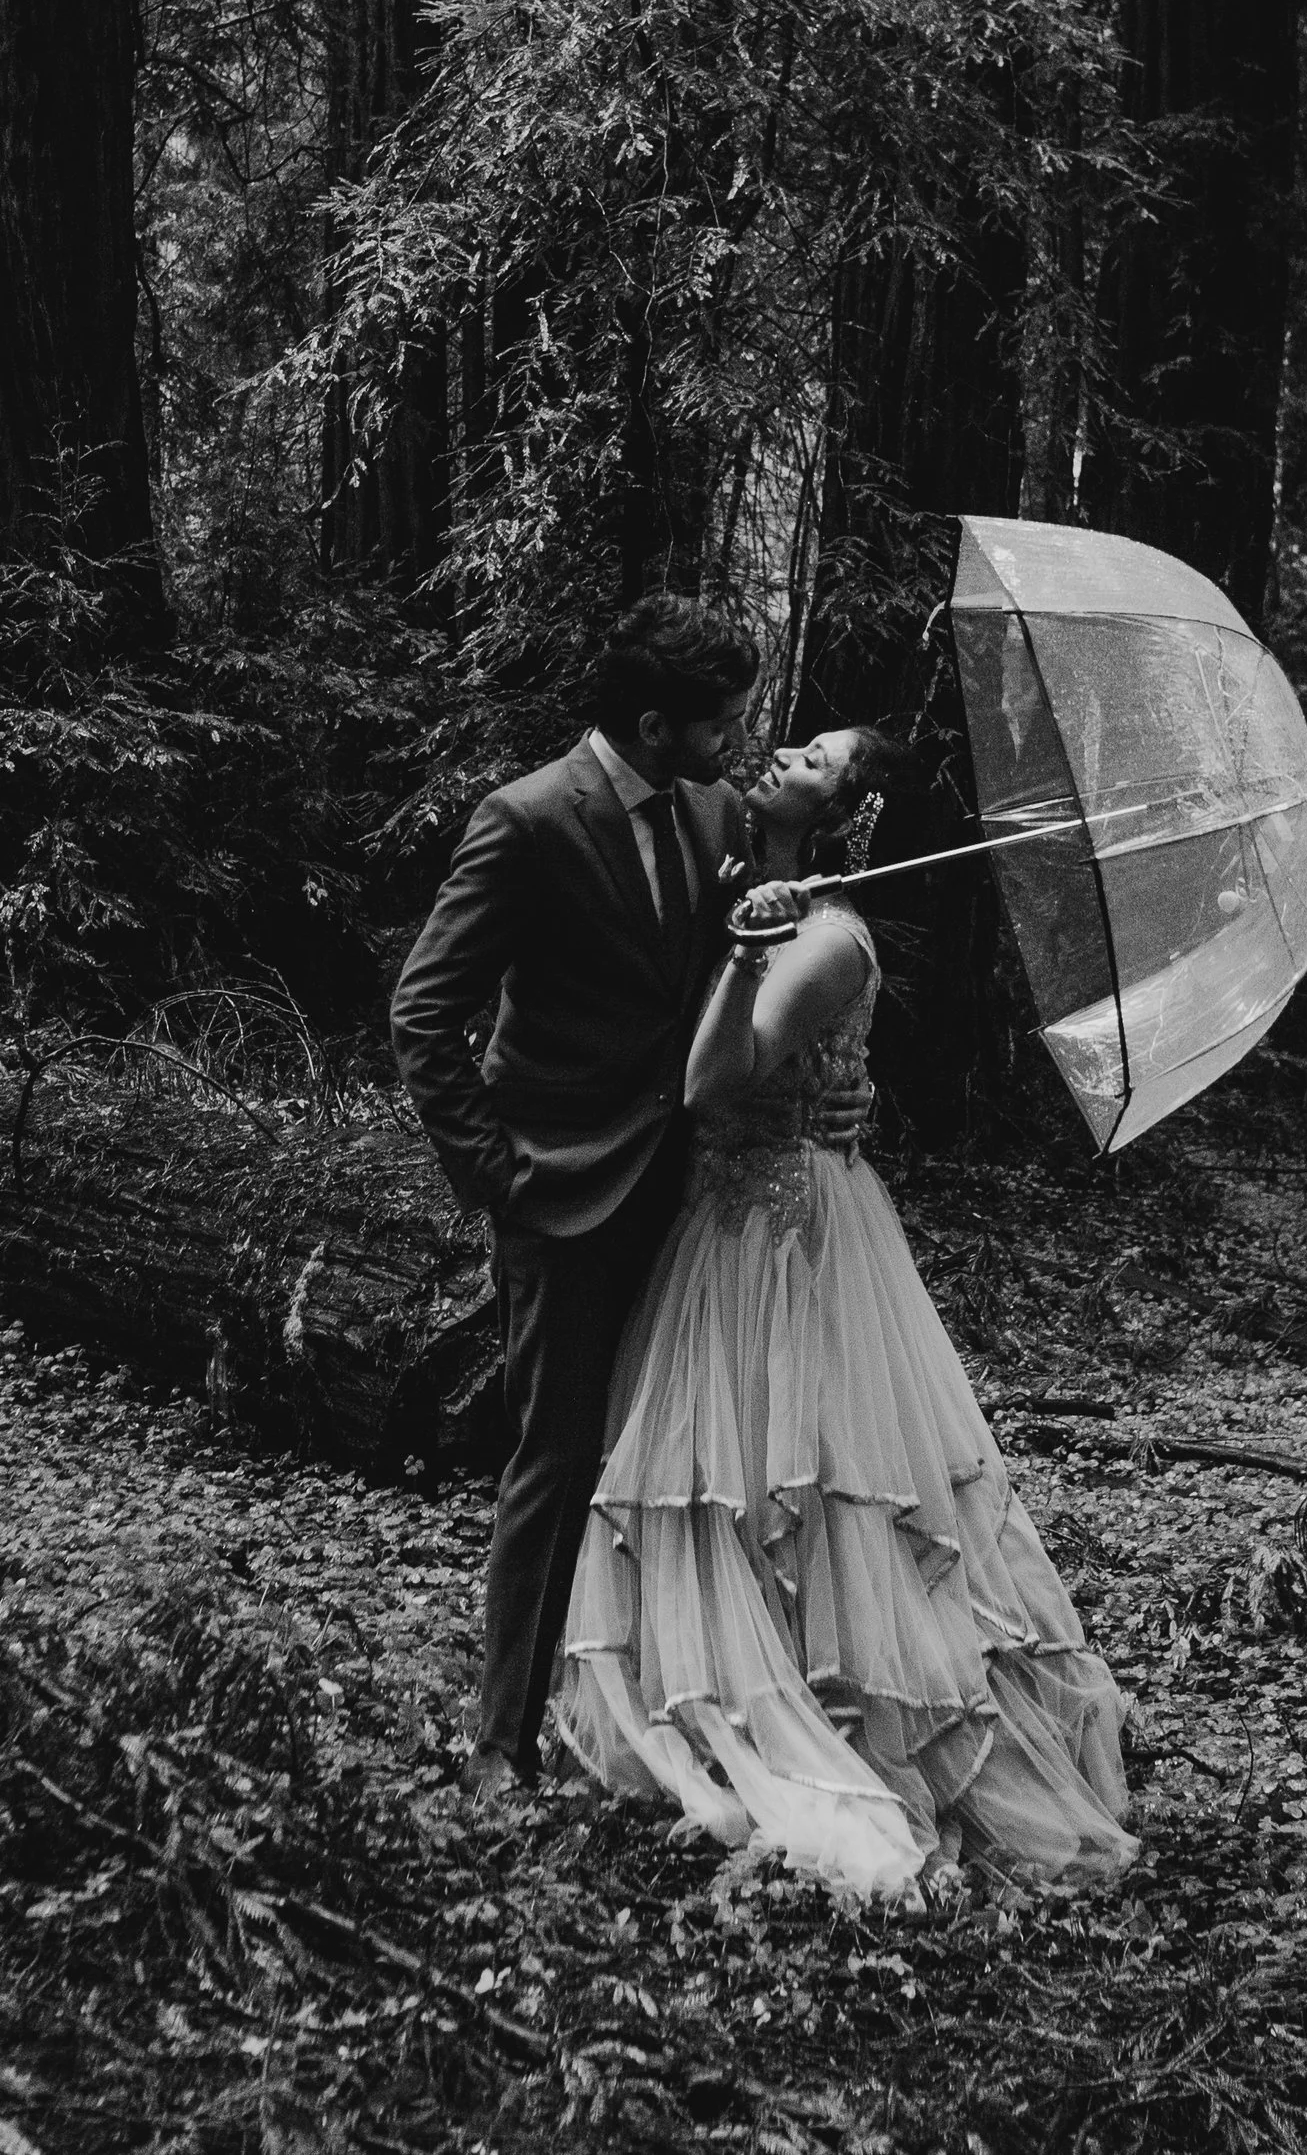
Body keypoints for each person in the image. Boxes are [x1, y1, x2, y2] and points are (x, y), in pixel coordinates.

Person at [554, 725, 1135, 1899]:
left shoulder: (825, 940)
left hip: (783, 1234)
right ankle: (720, 1669)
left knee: (805, 1478)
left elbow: (712, 1081)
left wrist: (743, 953)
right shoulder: (728, 862)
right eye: (796, 740)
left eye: (815, 759)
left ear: (847, 817)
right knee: (724, 1469)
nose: (782, 753)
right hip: (720, 1213)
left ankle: (825, 1702)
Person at [390, 598, 862, 1806]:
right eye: (720, 723)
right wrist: (498, 1178)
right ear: (655, 726)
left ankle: (658, 1708)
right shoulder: (526, 820)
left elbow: (755, 986)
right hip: (561, 1193)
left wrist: (826, 1086)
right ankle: (502, 1740)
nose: (738, 742)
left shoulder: (717, 815)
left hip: (695, 1191)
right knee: (555, 1457)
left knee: (687, 1456)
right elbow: (423, 1013)